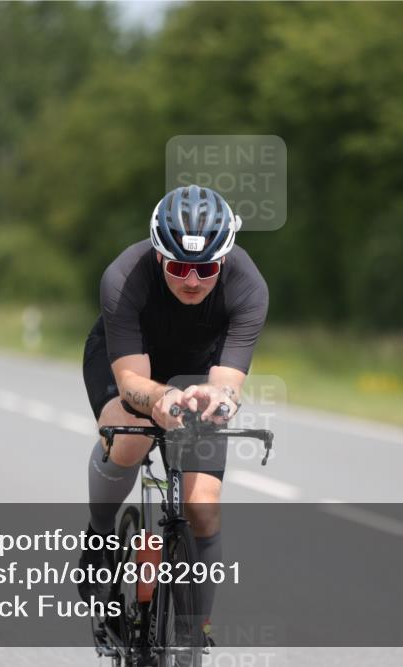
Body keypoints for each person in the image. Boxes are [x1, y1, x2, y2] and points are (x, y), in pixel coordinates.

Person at [79, 185, 269, 640]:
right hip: (129, 361)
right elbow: (131, 385)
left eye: (204, 269)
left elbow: (227, 384)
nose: (191, 280)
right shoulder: (124, 276)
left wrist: (218, 400)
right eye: (178, 266)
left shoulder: (249, 286)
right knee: (132, 436)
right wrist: (160, 400)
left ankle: (193, 628)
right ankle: (100, 536)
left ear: (223, 259)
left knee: (202, 505)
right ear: (159, 255)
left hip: (197, 370)